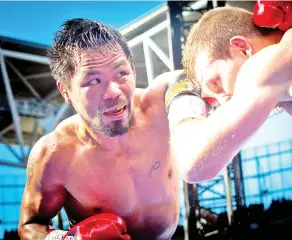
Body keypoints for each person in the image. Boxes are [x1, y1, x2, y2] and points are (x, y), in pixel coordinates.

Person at [165, 1, 292, 239]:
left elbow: (193, 164)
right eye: (213, 100)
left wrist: (179, 97)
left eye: (215, 82)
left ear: (242, 48)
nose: (222, 100)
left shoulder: (269, 62)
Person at [17, 18, 187, 240]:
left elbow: (182, 81)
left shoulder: (159, 109)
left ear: (133, 71)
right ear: (66, 90)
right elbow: (29, 226)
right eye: (93, 81)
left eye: (121, 73)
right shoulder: (54, 154)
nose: (113, 92)